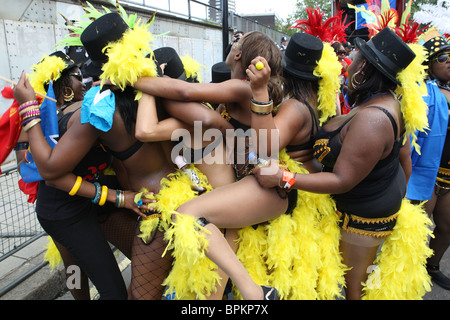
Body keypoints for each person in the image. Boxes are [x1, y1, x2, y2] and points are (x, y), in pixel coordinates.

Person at [130, 30, 344, 300]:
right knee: (213, 290)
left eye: (237, 42)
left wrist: (139, 77)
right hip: (247, 187)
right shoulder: (245, 91)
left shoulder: (246, 88)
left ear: (239, 53)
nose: (232, 45)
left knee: (186, 216)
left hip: (264, 188)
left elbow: (185, 92)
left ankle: (256, 294)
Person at [253, 27, 434, 300]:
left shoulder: (373, 119)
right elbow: (403, 158)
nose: (348, 66)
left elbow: (342, 181)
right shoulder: (385, 102)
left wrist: (283, 177)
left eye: (356, 58)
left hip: (363, 221)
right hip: (375, 206)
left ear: (364, 68)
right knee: (363, 282)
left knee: (357, 290)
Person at [13, 11, 181, 300]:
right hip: (70, 211)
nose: (85, 81)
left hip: (117, 205)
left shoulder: (101, 103)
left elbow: (54, 169)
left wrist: (28, 107)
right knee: (87, 273)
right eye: (77, 76)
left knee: (98, 274)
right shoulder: (102, 105)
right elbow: (50, 175)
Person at [13, 50, 141, 300]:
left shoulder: (80, 111)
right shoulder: (52, 117)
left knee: (75, 263)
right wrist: (117, 197)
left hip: (76, 199)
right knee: (77, 269)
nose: (83, 80)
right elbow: (39, 170)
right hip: (62, 213)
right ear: (62, 85)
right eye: (76, 74)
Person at [407, 30, 450, 290]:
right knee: (416, 230)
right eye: (443, 57)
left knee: (446, 228)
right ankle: (406, 274)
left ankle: (431, 267)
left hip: (449, 174)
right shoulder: (423, 94)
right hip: (427, 173)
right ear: (429, 64)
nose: (449, 61)